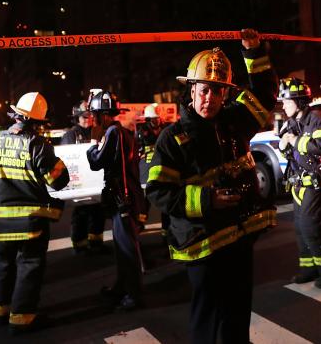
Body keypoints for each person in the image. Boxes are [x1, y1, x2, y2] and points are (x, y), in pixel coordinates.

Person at [146, 29, 278, 344]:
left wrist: (253, 51)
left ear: (225, 95)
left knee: (237, 316)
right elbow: (158, 192)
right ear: (191, 90)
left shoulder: (236, 121)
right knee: (207, 319)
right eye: (204, 90)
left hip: (238, 239)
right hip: (202, 245)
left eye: (218, 92)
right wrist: (208, 200)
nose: (210, 98)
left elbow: (265, 94)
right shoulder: (173, 138)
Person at [0, 92, 69, 335]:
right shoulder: (38, 145)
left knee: (2, 264)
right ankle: (21, 320)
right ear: (39, 122)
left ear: (16, 115)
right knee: (29, 265)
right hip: (29, 220)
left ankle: (0, 312)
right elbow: (58, 181)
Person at [278, 78, 321, 288]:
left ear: (299, 101)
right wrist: (283, 145)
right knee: (300, 228)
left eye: (286, 101)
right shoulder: (291, 123)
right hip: (299, 183)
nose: (283, 105)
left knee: (310, 227)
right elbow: (288, 150)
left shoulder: (317, 119)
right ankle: (310, 268)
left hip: (317, 182)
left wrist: (295, 141)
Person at [86, 89, 146, 312]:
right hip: (125, 198)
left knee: (127, 250)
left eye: (94, 115)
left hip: (123, 200)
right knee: (123, 249)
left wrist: (93, 144)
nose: (93, 119)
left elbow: (96, 161)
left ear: (102, 114)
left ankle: (134, 295)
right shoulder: (120, 132)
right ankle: (122, 288)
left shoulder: (112, 133)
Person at [60, 99, 107, 254]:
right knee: (81, 213)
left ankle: (96, 243)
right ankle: (80, 245)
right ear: (77, 118)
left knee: (98, 212)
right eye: (85, 116)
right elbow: (66, 158)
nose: (89, 119)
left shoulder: (98, 131)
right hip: (80, 181)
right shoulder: (70, 135)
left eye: (91, 115)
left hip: (96, 178)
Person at [136, 103, 170, 236]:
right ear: (148, 120)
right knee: (144, 200)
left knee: (166, 198)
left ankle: (166, 231)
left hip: (163, 168)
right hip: (146, 170)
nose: (156, 121)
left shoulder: (166, 129)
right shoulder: (142, 131)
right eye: (153, 119)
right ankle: (139, 224)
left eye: (157, 119)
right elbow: (138, 150)